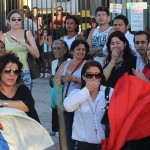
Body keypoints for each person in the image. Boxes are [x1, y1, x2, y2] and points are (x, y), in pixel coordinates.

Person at [63, 60, 113, 150]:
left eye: (97, 75)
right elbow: (68, 107)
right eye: (89, 75)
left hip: (105, 145)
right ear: (83, 76)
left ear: (101, 77)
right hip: (83, 145)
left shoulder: (109, 93)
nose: (94, 79)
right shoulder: (77, 93)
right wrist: (86, 90)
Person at [55, 40, 89, 150]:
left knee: (77, 134)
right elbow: (55, 79)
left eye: (83, 49)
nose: (81, 52)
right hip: (64, 103)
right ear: (72, 51)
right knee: (65, 134)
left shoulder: (87, 65)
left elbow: (91, 83)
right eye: (78, 49)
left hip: (79, 104)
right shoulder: (65, 63)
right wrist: (61, 79)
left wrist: (74, 79)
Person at [0, 9, 39, 91]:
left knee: (25, 99)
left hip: (24, 71)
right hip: (8, 72)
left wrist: (25, 44)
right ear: (8, 21)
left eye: (19, 19)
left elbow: (37, 54)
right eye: (13, 19)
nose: (16, 21)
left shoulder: (27, 34)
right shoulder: (3, 36)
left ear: (22, 21)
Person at [0, 52, 40, 122]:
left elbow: (28, 106)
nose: (12, 74)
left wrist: (2, 103)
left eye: (16, 71)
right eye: (7, 71)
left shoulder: (22, 89)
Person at [50, 39, 69, 137]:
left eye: (58, 48)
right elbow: (52, 82)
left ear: (65, 50)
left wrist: (57, 79)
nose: (55, 51)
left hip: (65, 97)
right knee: (57, 131)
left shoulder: (69, 62)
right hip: (56, 99)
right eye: (54, 48)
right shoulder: (53, 63)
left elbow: (67, 79)